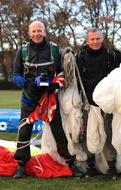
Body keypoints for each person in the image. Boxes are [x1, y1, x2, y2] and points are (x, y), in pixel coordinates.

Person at [12, 21, 84, 179]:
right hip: (29, 98)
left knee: (60, 132)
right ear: (29, 33)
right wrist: (27, 84)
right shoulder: (22, 50)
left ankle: (70, 164)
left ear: (44, 31)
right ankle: (21, 166)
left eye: (39, 31)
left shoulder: (54, 49)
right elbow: (15, 74)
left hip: (49, 98)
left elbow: (62, 71)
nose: (37, 34)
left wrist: (55, 85)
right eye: (34, 31)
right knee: (24, 132)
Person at [75, 28, 121, 179]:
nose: (95, 42)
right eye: (92, 39)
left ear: (102, 39)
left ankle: (112, 167)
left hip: (105, 103)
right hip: (87, 103)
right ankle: (90, 166)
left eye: (98, 39)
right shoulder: (80, 56)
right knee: (88, 133)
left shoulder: (112, 56)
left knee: (108, 133)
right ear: (87, 41)